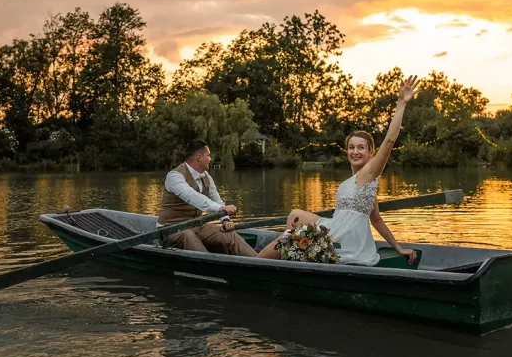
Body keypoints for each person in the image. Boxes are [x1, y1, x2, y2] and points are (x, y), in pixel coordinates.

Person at [255, 75, 420, 265]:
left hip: (346, 240)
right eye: (351, 147)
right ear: (347, 150)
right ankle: (290, 260)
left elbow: (390, 140)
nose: (355, 151)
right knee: (294, 215)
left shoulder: (369, 173)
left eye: (361, 147)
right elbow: (376, 220)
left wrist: (401, 103)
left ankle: (261, 261)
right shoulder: (356, 183)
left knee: (288, 238)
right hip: (336, 228)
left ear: (370, 153)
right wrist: (398, 246)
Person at [157, 139, 257, 257]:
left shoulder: (206, 176)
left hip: (196, 225)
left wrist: (225, 220)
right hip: (171, 228)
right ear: (199, 157)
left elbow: (216, 199)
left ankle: (261, 263)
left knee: (229, 234)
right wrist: (221, 208)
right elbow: (193, 197)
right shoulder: (174, 176)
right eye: (208, 155)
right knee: (188, 237)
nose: (211, 159)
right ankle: (211, 269)